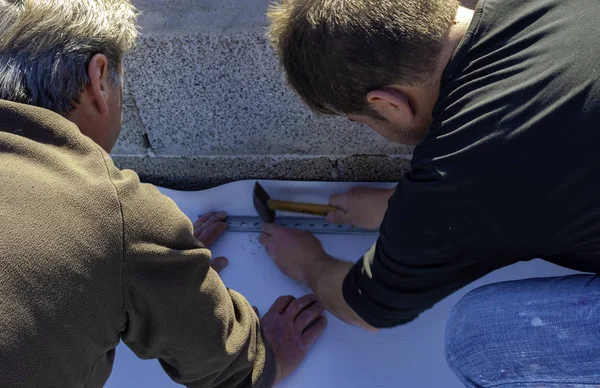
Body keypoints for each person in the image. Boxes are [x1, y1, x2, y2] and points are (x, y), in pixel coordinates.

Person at [261, 0, 600, 385]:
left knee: (481, 339)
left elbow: (367, 308)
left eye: (361, 120)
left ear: (388, 103)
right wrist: (403, 210)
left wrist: (309, 263)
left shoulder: (462, 167)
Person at [0, 1, 327, 387]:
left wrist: (153, 265)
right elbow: (223, 364)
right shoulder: (113, 210)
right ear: (99, 79)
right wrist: (263, 355)